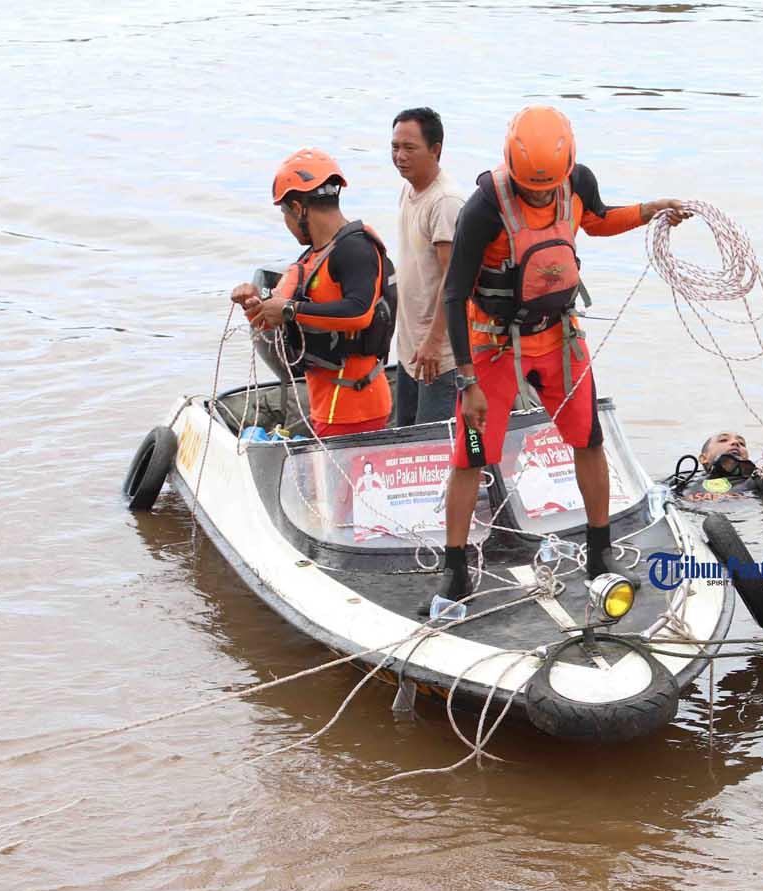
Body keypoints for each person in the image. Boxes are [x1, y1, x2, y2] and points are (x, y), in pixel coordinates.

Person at [434, 106, 689, 605]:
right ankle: (455, 569)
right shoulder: (483, 209)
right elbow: (453, 293)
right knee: (471, 456)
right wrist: (467, 382)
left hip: (559, 340)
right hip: (493, 346)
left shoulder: (578, 182)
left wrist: (650, 210)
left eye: (548, 187)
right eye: (530, 189)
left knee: (589, 439)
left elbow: (598, 220)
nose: (540, 195)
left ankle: (600, 554)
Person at [232, 148, 396, 437]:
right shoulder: (310, 260)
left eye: (285, 214)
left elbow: (359, 312)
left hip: (356, 408)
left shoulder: (356, 249)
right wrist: (253, 304)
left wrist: (290, 310)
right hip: (327, 407)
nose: (287, 224)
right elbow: (269, 321)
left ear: (298, 208)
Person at [390, 107, 466, 426]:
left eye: (410, 148)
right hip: (411, 349)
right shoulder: (408, 190)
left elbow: (454, 277)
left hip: (439, 355)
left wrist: (434, 341)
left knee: (432, 443)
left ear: (435, 150)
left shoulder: (445, 201)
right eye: (395, 147)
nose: (400, 156)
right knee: (405, 437)